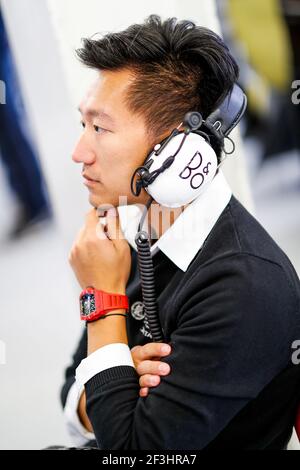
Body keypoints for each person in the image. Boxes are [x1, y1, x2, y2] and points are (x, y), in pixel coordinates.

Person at [61, 15, 300, 450]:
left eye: (100, 128)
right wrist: (115, 376)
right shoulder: (134, 231)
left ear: (176, 149)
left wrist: (104, 303)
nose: (80, 152)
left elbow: (134, 452)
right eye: (83, 124)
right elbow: (71, 394)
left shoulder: (244, 286)